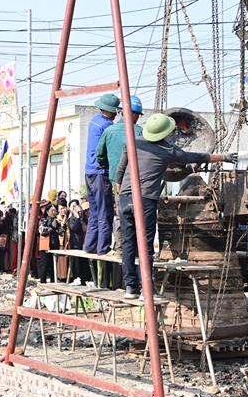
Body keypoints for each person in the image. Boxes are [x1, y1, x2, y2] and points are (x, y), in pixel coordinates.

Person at [115, 113, 238, 299]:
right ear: (165, 133)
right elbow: (196, 156)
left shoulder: (133, 143)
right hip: (145, 200)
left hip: (125, 198)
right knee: (145, 246)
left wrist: (121, 192)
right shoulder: (167, 150)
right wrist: (223, 157)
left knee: (128, 244)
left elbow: (120, 171)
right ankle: (147, 291)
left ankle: (130, 288)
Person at [96, 94, 144, 254]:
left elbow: (100, 155)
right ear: (136, 114)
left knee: (120, 214)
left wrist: (108, 164)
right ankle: (138, 249)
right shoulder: (142, 133)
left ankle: (121, 248)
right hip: (139, 181)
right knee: (139, 214)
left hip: (117, 181)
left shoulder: (109, 131)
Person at [84, 93, 120, 255]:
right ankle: (103, 248)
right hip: (100, 172)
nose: (116, 115)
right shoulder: (107, 126)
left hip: (89, 171)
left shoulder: (94, 121)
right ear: (110, 111)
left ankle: (90, 245)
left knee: (95, 211)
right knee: (105, 211)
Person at [67, 199, 88, 284]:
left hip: (84, 243)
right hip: (75, 244)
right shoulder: (71, 219)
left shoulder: (84, 219)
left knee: (84, 264)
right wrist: (78, 219)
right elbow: (74, 229)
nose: (80, 213)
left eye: (81, 211)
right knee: (76, 264)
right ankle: (76, 278)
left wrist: (82, 219)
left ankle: (84, 279)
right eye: (78, 212)